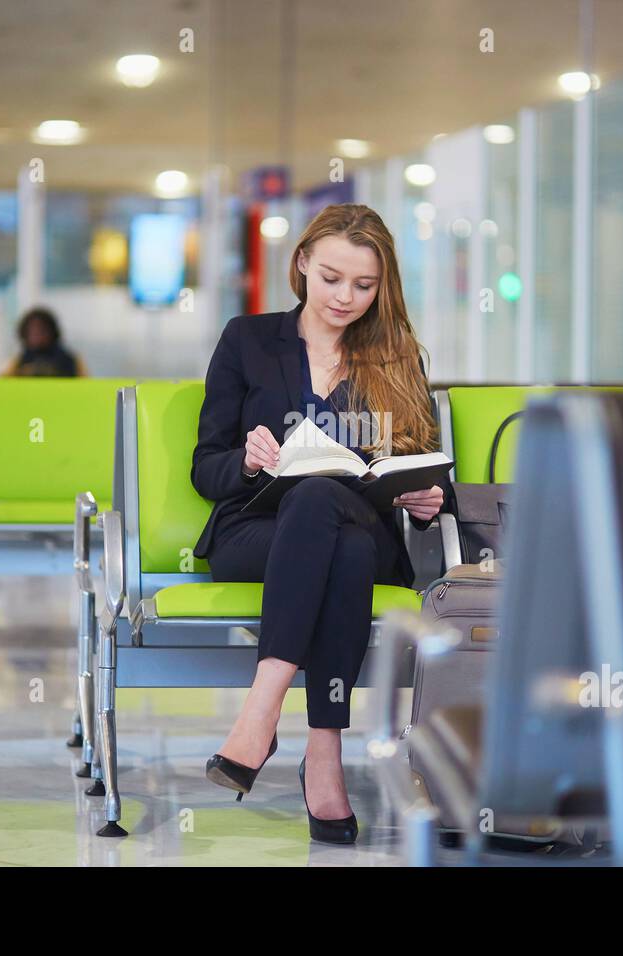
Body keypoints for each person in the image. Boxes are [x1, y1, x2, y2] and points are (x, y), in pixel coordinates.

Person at [194, 203, 450, 844]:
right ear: (302, 262)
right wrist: (249, 461)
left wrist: (427, 499)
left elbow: (429, 469)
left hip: (360, 528)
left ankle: (262, 710)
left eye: (365, 286)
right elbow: (207, 467)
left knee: (331, 517)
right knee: (325, 522)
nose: (346, 297)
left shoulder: (395, 355)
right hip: (258, 534)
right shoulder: (248, 339)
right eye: (332, 278)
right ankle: (325, 750)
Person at [1, 307, 86, 377]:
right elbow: (2, 385)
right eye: (32, 332)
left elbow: (85, 386)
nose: (37, 335)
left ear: (52, 332)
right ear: (24, 334)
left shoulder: (69, 360)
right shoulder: (18, 362)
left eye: (42, 330)